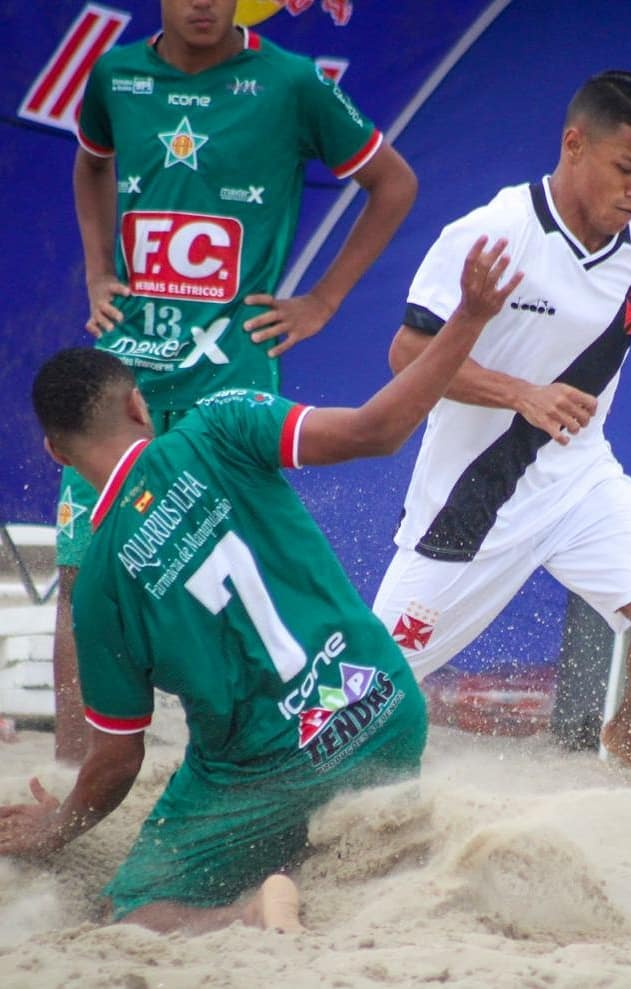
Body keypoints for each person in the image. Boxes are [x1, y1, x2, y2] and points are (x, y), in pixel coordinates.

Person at [0, 238, 521, 934]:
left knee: (128, 908)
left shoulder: (97, 588)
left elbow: (117, 761)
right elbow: (376, 431)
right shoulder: (221, 422)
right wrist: (469, 319)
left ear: (55, 453)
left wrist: (60, 824)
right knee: (310, 823)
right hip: (384, 713)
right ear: (138, 405)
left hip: (270, 773)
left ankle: (250, 915)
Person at [54, 0, 418, 763]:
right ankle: (71, 776)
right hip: (127, 378)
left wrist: (322, 301)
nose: (203, 3)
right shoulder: (116, 73)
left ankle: (276, 755)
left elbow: (394, 183)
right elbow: (90, 163)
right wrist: (95, 269)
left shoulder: (291, 81)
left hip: (229, 380)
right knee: (83, 572)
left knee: (249, 572)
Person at [372, 70, 631, 819]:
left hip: (581, 481)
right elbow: (407, 354)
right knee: (362, 699)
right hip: (471, 504)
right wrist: (520, 392)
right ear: (574, 144)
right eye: (626, 168)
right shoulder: (491, 235)